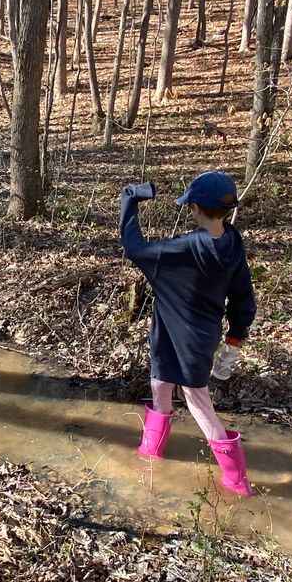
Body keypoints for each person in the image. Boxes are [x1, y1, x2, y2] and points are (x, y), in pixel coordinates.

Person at [119, 172, 257, 497]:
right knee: (160, 386)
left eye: (189, 206)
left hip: (189, 342)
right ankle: (150, 456)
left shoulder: (183, 248)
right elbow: (243, 300)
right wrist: (234, 341)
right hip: (177, 336)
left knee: (198, 402)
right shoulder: (232, 244)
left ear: (195, 208)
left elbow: (134, 247)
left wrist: (129, 199)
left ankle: (237, 482)